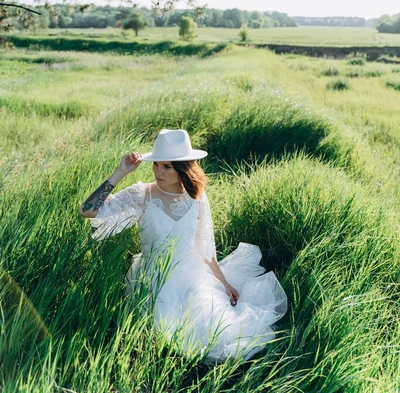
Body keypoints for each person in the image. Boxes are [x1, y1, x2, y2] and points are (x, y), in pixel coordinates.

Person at [79, 129, 287, 362]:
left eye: (167, 166)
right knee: (165, 330)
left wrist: (224, 283)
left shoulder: (197, 197)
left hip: (193, 275)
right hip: (154, 278)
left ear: (184, 168)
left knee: (219, 330)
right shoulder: (142, 194)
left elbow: (205, 248)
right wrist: (121, 172)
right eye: (156, 164)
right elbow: (87, 210)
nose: (158, 171)